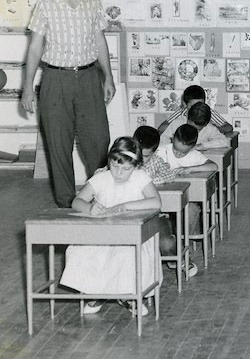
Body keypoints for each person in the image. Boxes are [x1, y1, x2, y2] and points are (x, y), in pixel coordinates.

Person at [20, 0, 115, 207]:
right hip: (56, 78)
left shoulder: (92, 1)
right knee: (58, 144)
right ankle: (67, 204)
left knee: (98, 140)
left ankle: (99, 197)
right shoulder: (45, 4)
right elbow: (34, 48)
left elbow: (100, 42)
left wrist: (108, 77)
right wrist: (27, 88)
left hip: (87, 77)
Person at [60, 137, 160, 317]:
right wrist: (89, 208)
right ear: (109, 161)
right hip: (104, 233)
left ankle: (130, 296)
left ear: (135, 166)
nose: (119, 173)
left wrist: (126, 205)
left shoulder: (140, 178)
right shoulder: (101, 178)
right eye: (115, 166)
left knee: (126, 255)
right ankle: (97, 292)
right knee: (82, 251)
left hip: (134, 235)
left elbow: (156, 202)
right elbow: (77, 201)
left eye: (126, 169)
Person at [133, 125, 199, 279]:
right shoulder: (126, 159)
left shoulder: (156, 162)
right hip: (128, 215)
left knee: (166, 243)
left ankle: (180, 260)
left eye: (146, 155)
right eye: (138, 154)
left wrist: (145, 183)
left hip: (154, 215)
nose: (141, 159)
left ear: (154, 151)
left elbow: (169, 175)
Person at [158, 84, 232, 135]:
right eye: (192, 106)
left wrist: (218, 129)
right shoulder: (181, 113)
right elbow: (161, 128)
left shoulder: (209, 112)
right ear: (184, 104)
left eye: (200, 104)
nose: (197, 108)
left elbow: (229, 127)